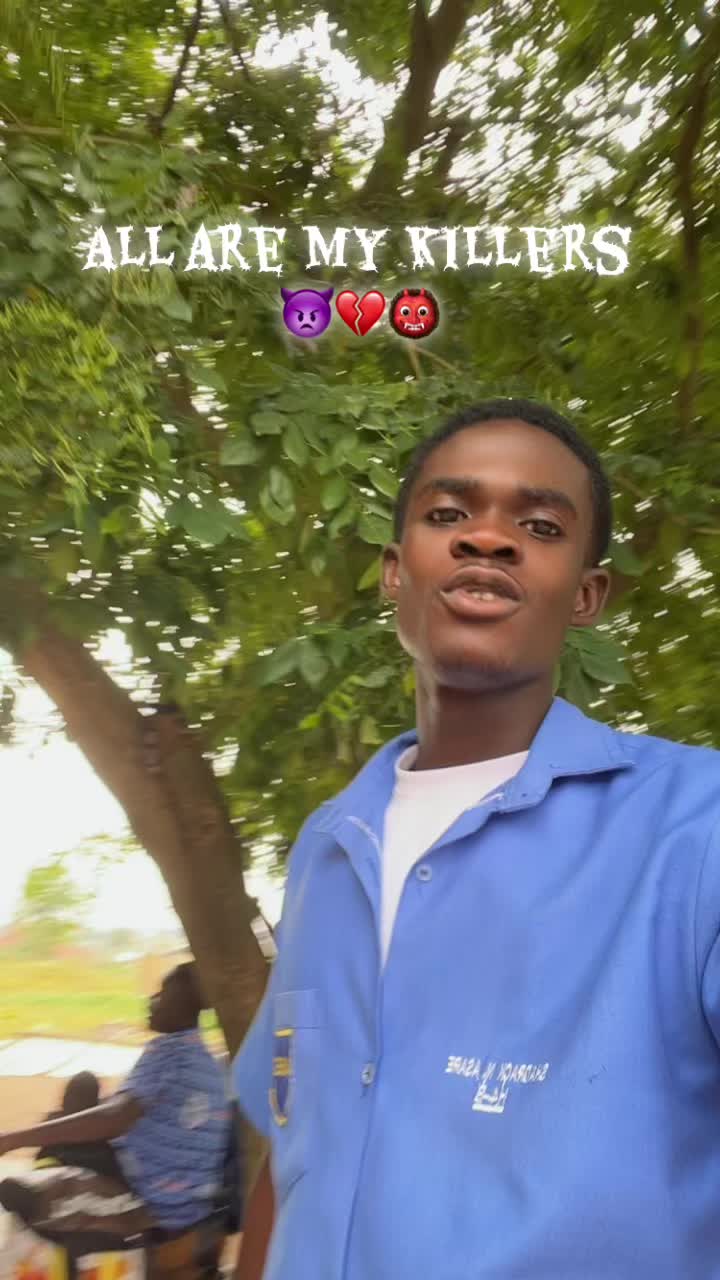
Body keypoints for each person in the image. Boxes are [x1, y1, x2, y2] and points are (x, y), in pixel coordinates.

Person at [232, 397, 720, 1280]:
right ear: (395, 570)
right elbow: (293, 1141)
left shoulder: (695, 828)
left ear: (587, 595)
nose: (487, 538)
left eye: (540, 526)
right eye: (449, 513)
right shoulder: (328, 848)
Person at [0, 961, 230, 1235]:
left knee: (53, 1143)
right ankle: (49, 1168)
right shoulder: (203, 1057)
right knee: (83, 1086)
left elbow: (114, 1120)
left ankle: (44, 1184)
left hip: (151, 1192)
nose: (152, 1000)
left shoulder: (168, 1051)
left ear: (183, 1007)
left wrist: (13, 1139)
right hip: (187, 1191)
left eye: (162, 994)